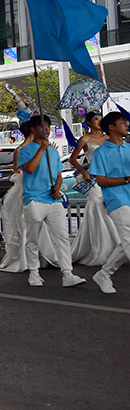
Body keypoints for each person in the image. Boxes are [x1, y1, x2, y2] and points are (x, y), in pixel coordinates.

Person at [18, 115, 86, 287]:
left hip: (52, 200)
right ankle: (34, 272)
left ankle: (67, 273)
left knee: (62, 236)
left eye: (48, 126)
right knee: (33, 238)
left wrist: (57, 188)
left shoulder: (54, 152)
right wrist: (41, 149)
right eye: (42, 126)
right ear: (33, 129)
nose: (47, 129)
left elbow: (58, 176)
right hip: (34, 199)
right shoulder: (25, 150)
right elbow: (30, 169)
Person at [0, 120, 60, 273]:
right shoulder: (23, 149)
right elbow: (17, 170)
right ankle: (30, 258)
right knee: (26, 224)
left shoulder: (40, 148)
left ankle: (43, 255)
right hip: (26, 190)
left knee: (39, 225)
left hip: (41, 190)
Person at [69, 111, 119, 266]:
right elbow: (72, 159)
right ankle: (100, 248)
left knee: (111, 205)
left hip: (109, 176)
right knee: (97, 202)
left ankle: (116, 246)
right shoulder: (85, 139)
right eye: (96, 119)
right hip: (93, 177)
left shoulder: (108, 138)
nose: (99, 121)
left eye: (100, 119)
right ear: (89, 122)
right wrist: (84, 171)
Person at [90, 111, 130, 293]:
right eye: (122, 121)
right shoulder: (101, 153)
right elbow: (101, 180)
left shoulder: (129, 148)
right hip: (116, 199)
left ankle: (104, 274)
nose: (126, 124)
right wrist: (126, 179)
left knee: (125, 243)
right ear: (112, 127)